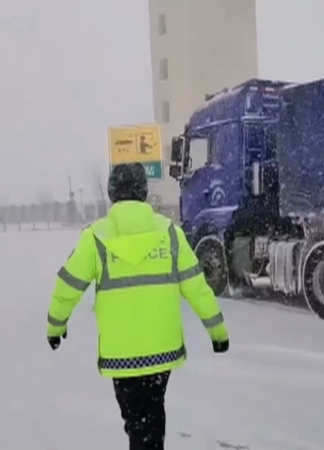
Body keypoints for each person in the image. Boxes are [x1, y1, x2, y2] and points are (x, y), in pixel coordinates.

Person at [46, 162, 230, 450]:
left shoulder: (96, 237)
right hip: (162, 351)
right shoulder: (170, 233)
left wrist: (55, 326)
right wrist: (218, 332)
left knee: (136, 419)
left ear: (111, 193)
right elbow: (197, 287)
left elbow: (67, 287)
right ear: (143, 192)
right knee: (152, 412)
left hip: (122, 355)